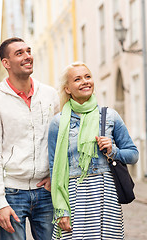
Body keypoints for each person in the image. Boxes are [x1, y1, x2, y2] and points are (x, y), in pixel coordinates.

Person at [48, 62, 139, 239]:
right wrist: (61, 210)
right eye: (77, 79)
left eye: (88, 77)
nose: (85, 82)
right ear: (67, 88)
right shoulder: (58, 123)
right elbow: (55, 168)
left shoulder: (110, 116)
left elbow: (133, 155)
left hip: (106, 194)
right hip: (74, 196)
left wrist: (113, 151)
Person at [0, 37, 59, 240]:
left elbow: (59, 141)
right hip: (12, 193)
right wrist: (0, 203)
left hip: (46, 192)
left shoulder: (50, 95)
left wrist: (54, 175)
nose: (28, 56)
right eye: (19, 53)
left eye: (28, 51)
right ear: (6, 63)